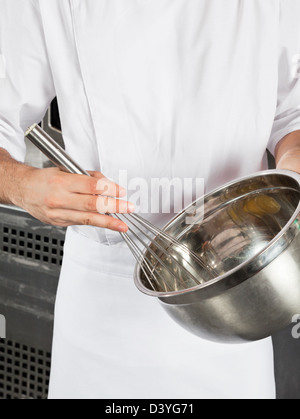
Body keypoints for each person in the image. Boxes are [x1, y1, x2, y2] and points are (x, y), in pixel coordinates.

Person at [0, 0, 300, 400]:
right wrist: (22, 185)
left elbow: (292, 114)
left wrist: (293, 173)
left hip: (237, 289)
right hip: (103, 302)